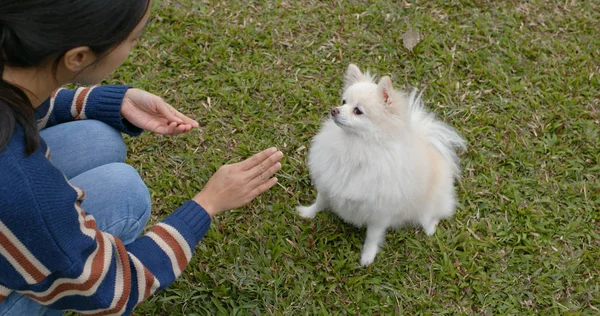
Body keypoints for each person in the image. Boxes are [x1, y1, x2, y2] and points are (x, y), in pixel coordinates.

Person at [0, 0, 284, 315]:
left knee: (99, 138)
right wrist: (207, 204)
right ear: (78, 57)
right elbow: (108, 289)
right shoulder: (20, 184)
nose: (135, 45)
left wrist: (102, 101)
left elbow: (21, 104)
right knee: (127, 195)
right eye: (134, 38)